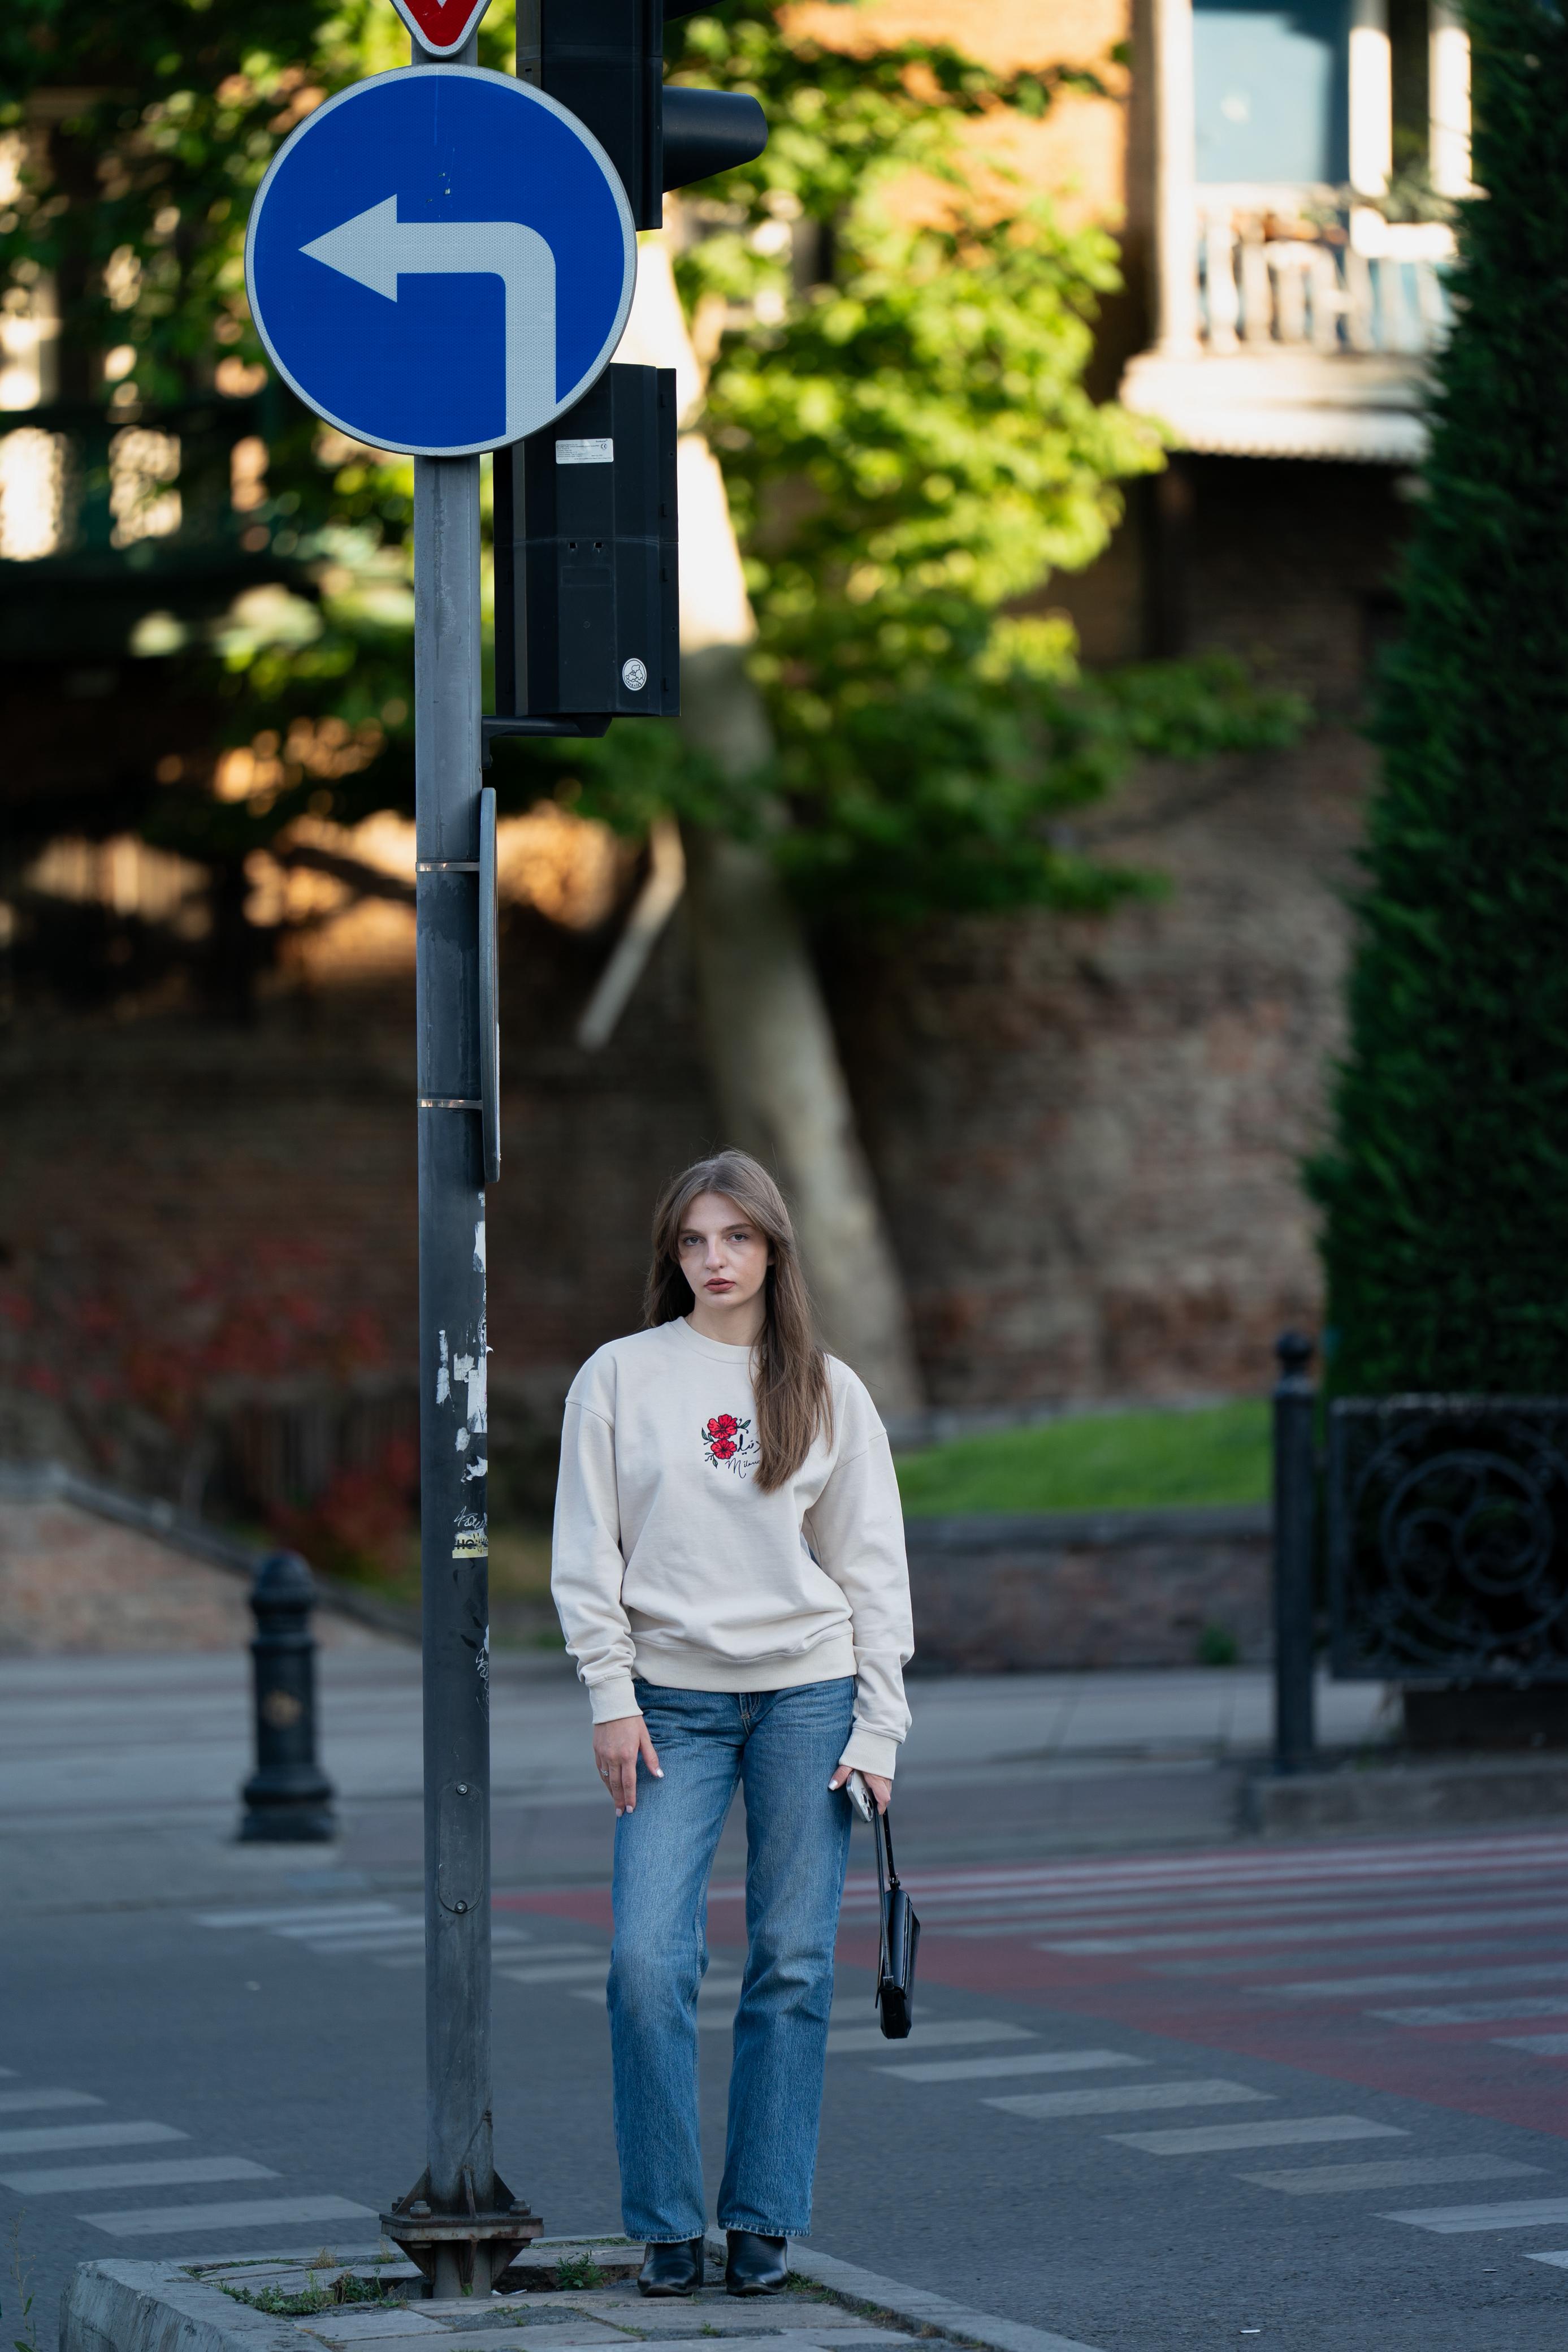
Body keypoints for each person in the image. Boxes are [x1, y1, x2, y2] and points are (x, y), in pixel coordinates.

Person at [551, 1149, 914, 2299]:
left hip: (811, 1695)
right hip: (669, 1706)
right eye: (695, 1240)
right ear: (674, 1253)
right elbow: (585, 1557)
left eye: (738, 1237)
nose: (716, 1259)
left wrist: (879, 1726)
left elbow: (872, 1568)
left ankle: (762, 2217)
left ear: (772, 1248)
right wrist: (610, 1697)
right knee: (645, 1961)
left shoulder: (827, 1387)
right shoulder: (619, 1376)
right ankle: (667, 2225)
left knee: (793, 1961)